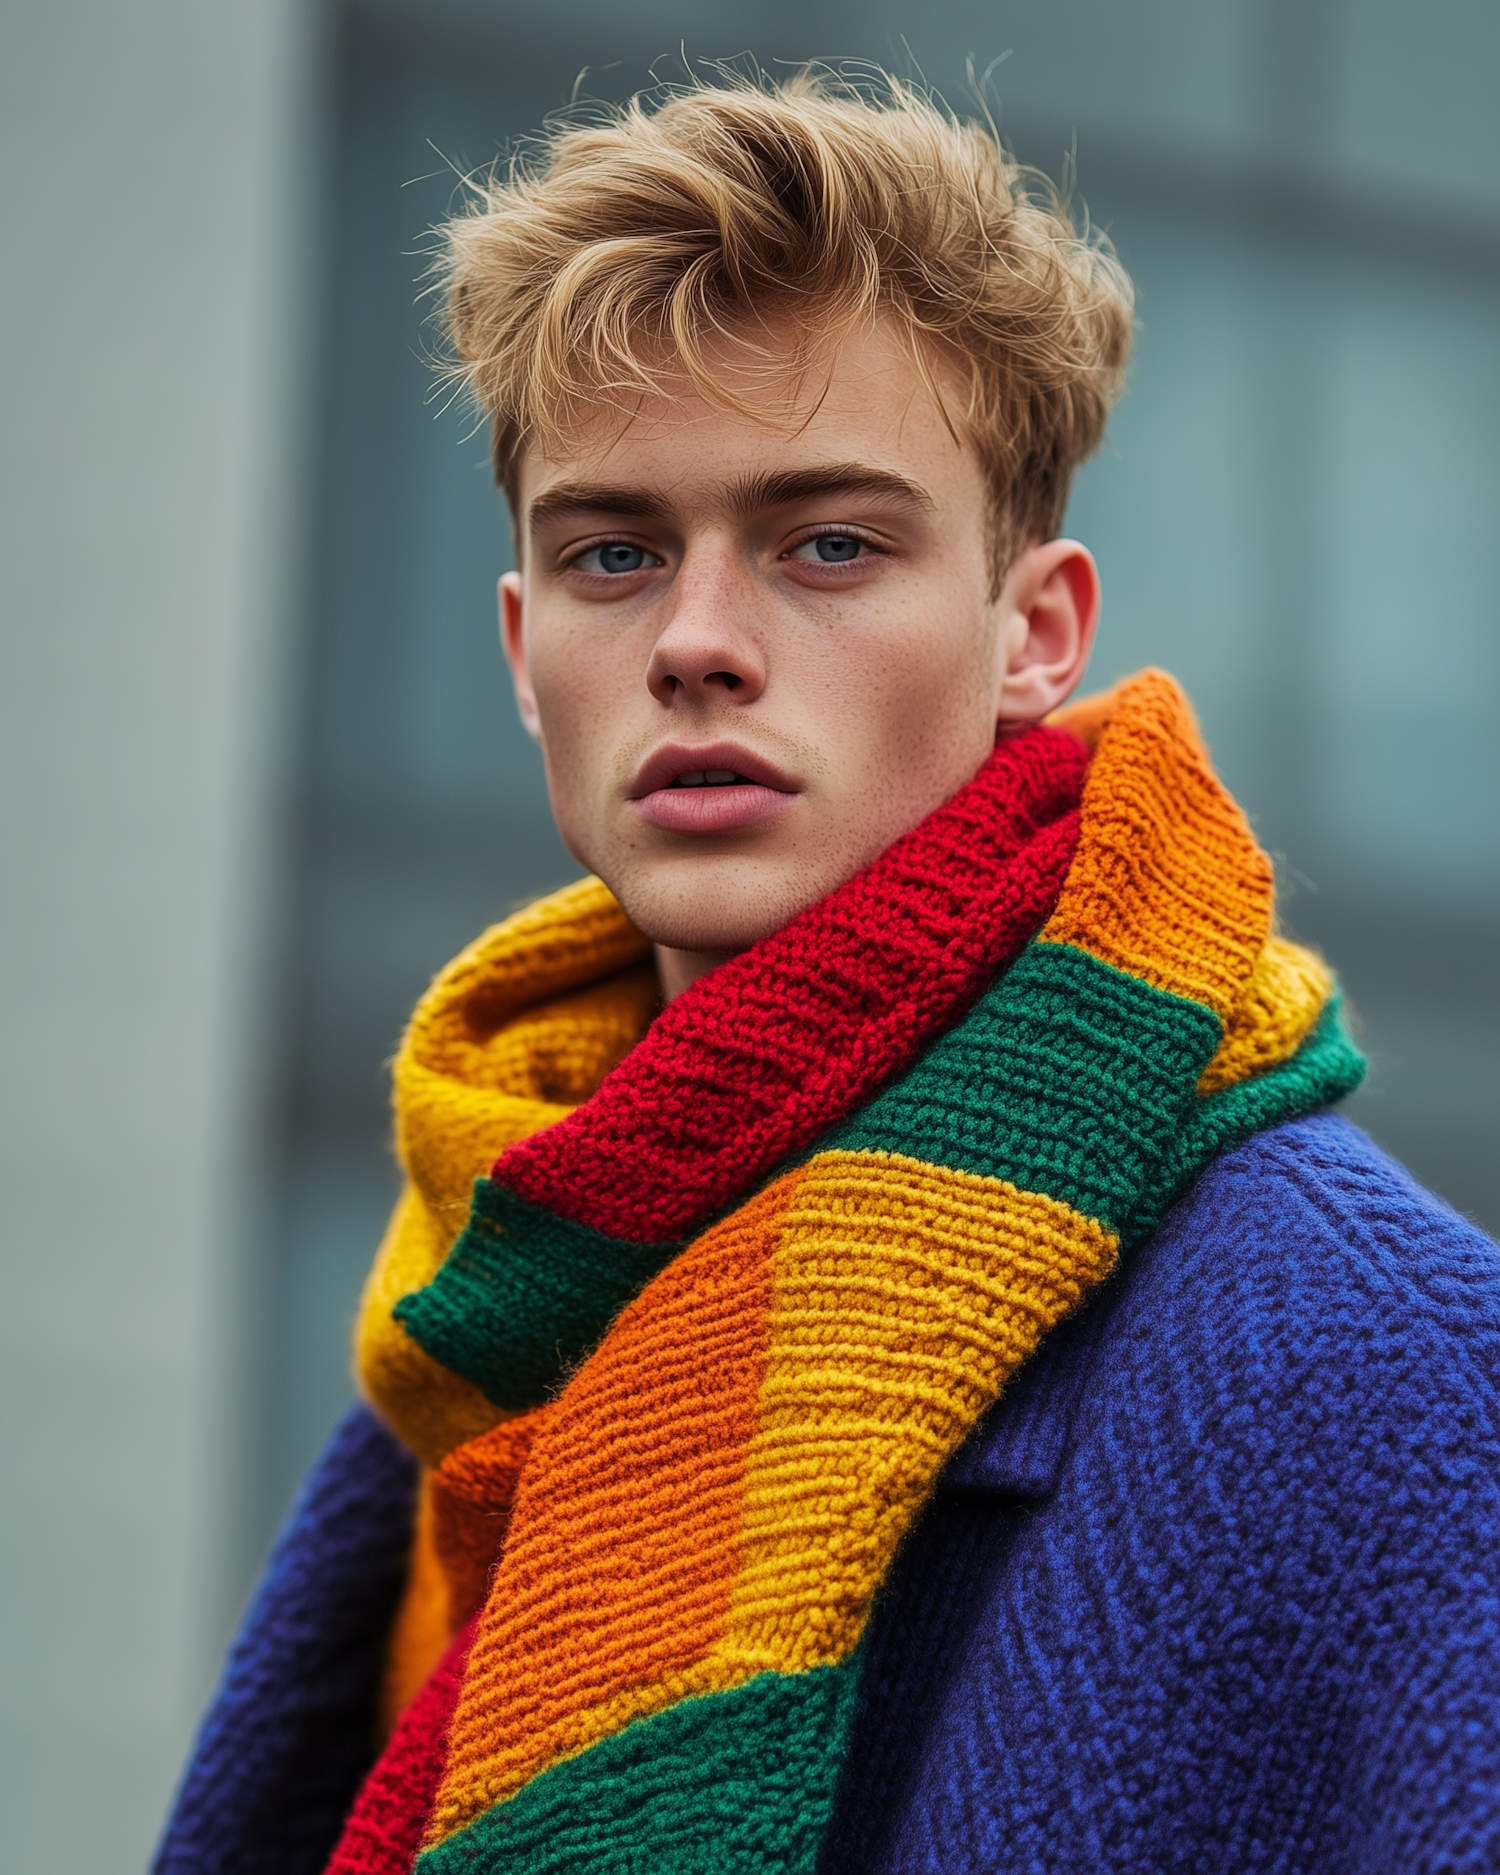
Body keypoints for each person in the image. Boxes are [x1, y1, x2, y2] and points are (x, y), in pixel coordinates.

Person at [155, 73, 1500, 1875]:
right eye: (613, 553)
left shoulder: (1382, 1366)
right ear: (520, 645)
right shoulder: (486, 1323)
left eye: (830, 544)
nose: (699, 642)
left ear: (1034, 635)